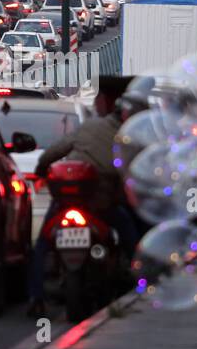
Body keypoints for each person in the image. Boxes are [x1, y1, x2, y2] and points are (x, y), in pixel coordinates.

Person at [27, 76, 140, 319]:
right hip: (101, 205)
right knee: (128, 231)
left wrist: (41, 170)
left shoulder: (88, 127)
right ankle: (139, 276)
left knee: (42, 244)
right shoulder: (126, 139)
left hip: (66, 201)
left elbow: (54, 151)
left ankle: (36, 296)